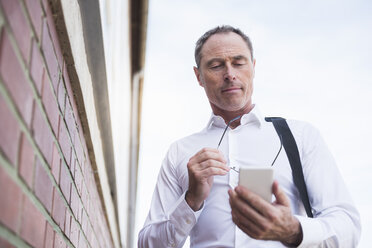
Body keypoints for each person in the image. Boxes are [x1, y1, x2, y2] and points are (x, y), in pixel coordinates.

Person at [138, 25, 361, 247]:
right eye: (216, 65)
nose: (229, 74)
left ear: (253, 67)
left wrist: (293, 230)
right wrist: (191, 201)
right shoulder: (181, 152)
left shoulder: (300, 137)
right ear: (199, 76)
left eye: (238, 63)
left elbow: (348, 227)